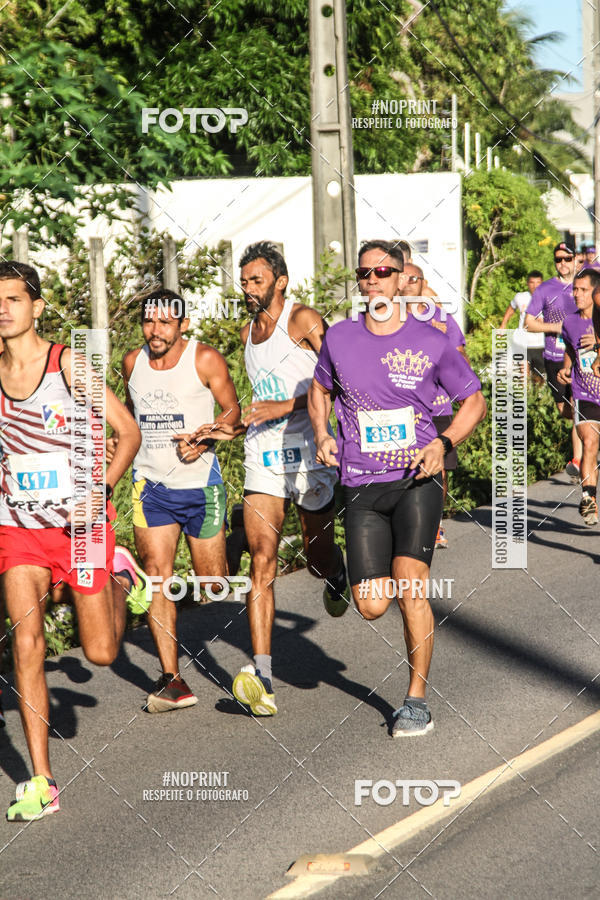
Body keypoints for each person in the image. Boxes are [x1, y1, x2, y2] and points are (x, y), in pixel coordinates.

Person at [309, 240, 486, 737]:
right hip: (361, 481)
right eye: (364, 274)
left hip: (415, 480)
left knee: (411, 586)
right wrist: (323, 433)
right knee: (371, 605)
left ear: (399, 277)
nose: (373, 280)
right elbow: (319, 389)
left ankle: (416, 700)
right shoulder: (340, 338)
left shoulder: (430, 341)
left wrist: (444, 442)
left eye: (382, 272)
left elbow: (473, 401)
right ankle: (355, 576)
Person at [0, 261, 143, 821]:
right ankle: (42, 781)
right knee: (26, 643)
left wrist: (102, 488)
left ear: (37, 307)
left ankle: (121, 575)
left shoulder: (68, 365)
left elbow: (126, 431)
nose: (2, 309)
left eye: (13, 299)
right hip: (18, 530)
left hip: (82, 527)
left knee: (102, 652)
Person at [230, 241, 346, 717]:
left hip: (312, 452)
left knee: (317, 558)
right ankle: (263, 677)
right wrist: (221, 427)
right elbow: (257, 402)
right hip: (264, 455)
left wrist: (288, 408)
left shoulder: (304, 321)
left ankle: (337, 573)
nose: (248, 288)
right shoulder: (245, 333)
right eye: (244, 281)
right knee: (263, 559)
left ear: (280, 281)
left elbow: (341, 378)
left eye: (256, 280)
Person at [114, 288, 242, 713]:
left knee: (213, 587)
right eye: (149, 322)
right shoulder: (132, 363)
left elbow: (233, 413)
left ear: (182, 324)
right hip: (151, 486)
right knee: (157, 577)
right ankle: (173, 680)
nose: (155, 331)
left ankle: (234, 541)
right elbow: (130, 416)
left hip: (200, 485)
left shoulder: (204, 360)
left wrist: (204, 438)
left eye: (165, 322)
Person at [403, 262, 467, 549]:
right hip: (403, 410)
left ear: (422, 283)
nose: (406, 284)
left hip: (439, 407)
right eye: (401, 278)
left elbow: (459, 355)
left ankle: (435, 522)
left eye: (412, 279)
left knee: (438, 468)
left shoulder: (440, 318)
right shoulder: (385, 319)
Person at [525, 243, 582, 481]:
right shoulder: (545, 289)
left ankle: (578, 460)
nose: (563, 264)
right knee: (564, 409)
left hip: (581, 356)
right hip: (554, 357)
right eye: (558, 260)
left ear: (575, 259)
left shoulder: (585, 286)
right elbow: (529, 323)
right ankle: (590, 429)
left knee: (577, 404)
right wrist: (555, 327)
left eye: (567, 259)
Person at [557, 268, 600, 525]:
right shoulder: (569, 322)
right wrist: (565, 368)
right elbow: (571, 352)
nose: (576, 294)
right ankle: (588, 498)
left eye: (583, 290)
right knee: (589, 442)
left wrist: (596, 345)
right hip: (584, 392)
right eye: (574, 289)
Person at [500, 271, 544, 377]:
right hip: (522, 342)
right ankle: (526, 391)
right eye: (532, 282)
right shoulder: (520, 297)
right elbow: (511, 308)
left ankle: (536, 393)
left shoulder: (549, 299)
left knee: (538, 377)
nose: (535, 286)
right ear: (527, 284)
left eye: (538, 282)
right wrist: (503, 325)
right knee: (523, 375)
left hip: (541, 343)